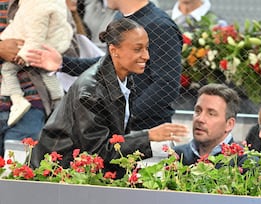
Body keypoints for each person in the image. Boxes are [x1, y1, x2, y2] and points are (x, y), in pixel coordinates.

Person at [30, 18, 188, 179]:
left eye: (147, 48)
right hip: (57, 173)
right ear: (114, 50)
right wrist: (148, 136)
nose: (146, 56)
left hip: (82, 171)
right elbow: (98, 151)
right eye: (137, 49)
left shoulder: (124, 78)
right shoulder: (90, 91)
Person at [0, 0, 69, 158]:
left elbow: (69, 43)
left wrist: (43, 52)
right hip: (24, 102)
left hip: (30, 106)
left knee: (18, 175)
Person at [173, 83, 245, 166]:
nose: (200, 119)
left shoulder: (243, 162)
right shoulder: (178, 155)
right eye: (198, 111)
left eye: (211, 114)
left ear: (229, 124)